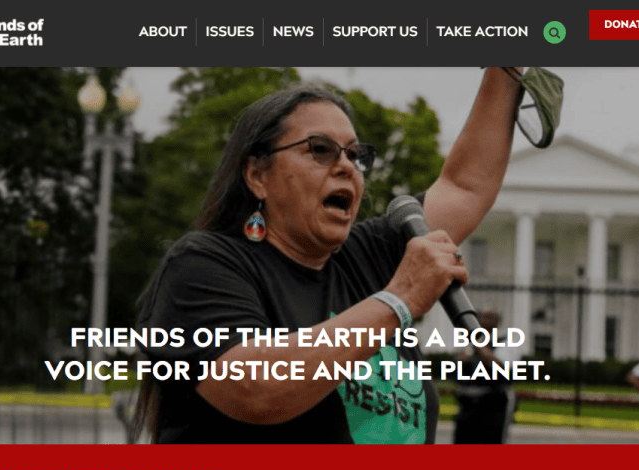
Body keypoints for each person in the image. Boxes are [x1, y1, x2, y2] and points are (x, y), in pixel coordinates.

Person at [133, 73, 524, 443]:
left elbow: (465, 185)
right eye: (320, 150)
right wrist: (399, 299)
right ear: (257, 175)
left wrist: (506, 64)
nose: (345, 167)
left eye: (355, 155)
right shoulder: (202, 265)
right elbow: (254, 387)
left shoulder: (369, 258)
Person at [454, 310, 517, 444]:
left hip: (493, 405)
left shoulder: (504, 343)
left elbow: (498, 366)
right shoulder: (471, 344)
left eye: (489, 317)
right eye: (482, 317)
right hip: (468, 405)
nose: (483, 320)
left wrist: (477, 345)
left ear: (497, 322)